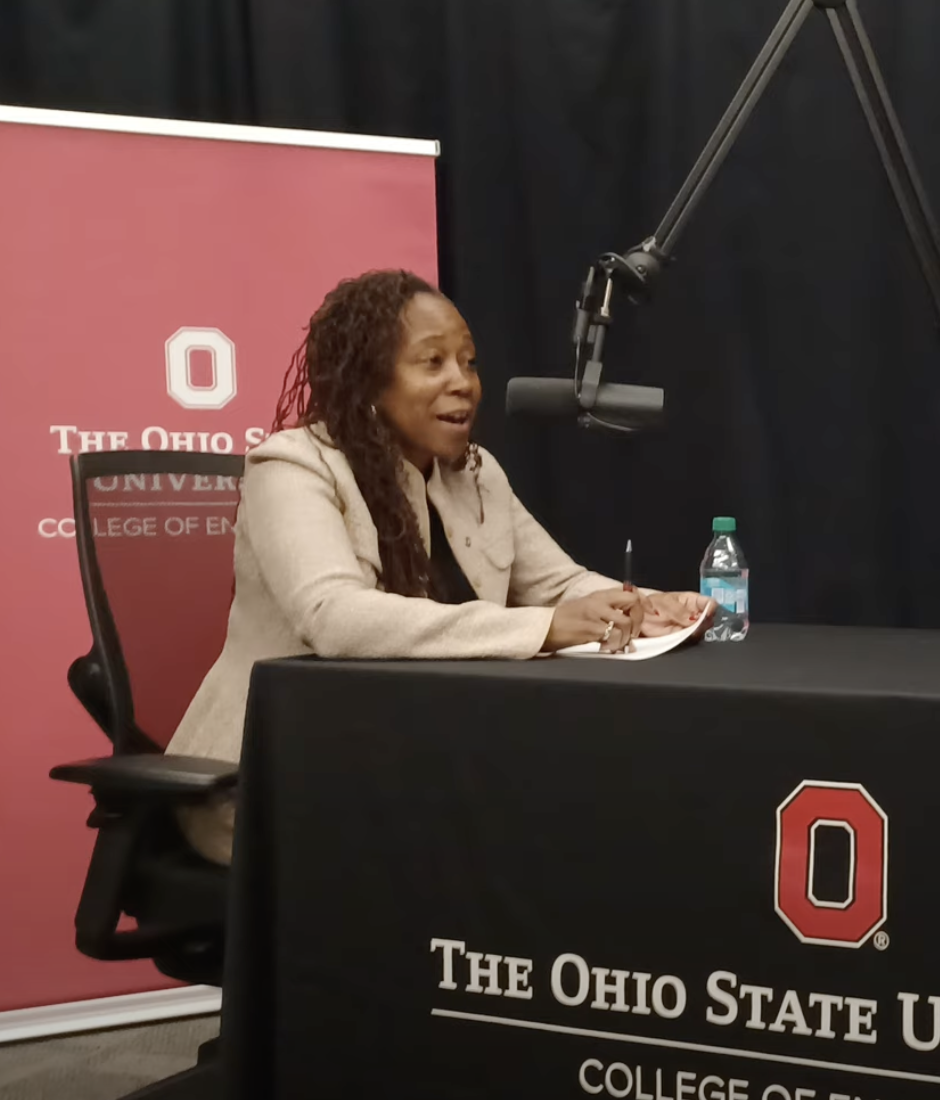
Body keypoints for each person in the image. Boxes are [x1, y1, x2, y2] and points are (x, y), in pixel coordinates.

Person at [167, 270, 709, 865]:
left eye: (469, 362)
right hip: (269, 786)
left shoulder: (475, 473)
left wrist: (654, 603)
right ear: (369, 379)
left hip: (406, 765)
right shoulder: (293, 467)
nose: (464, 383)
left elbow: (559, 583)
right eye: (432, 363)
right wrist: (546, 628)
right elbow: (334, 617)